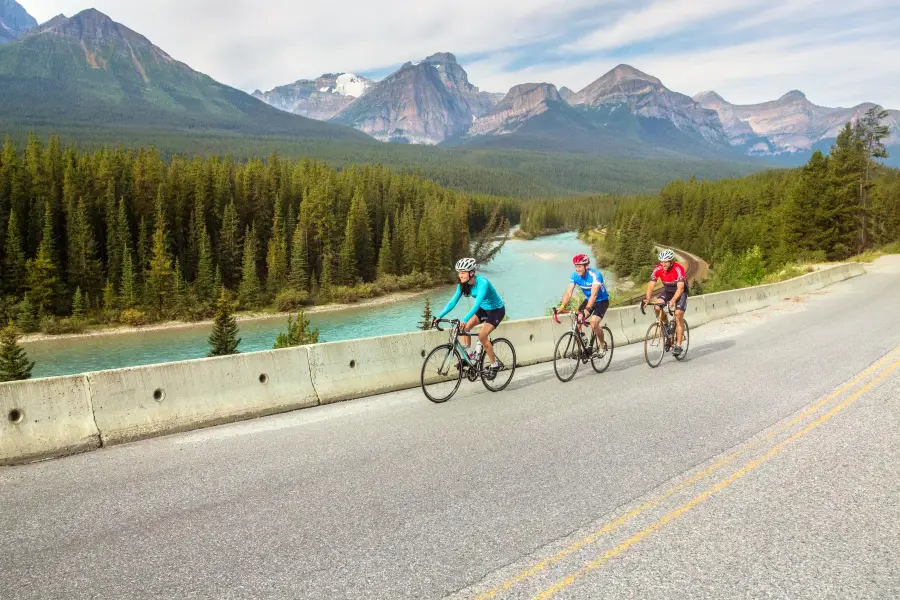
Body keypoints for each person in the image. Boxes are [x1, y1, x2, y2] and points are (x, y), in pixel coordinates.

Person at [433, 257, 506, 372]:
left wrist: (465, 318)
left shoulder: (483, 283)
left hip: (496, 310)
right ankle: (470, 357)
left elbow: (476, 305)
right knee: (464, 329)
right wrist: (439, 316)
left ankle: (494, 364)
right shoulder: (462, 285)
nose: (460, 276)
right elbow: (452, 302)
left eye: (463, 273)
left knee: (482, 336)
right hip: (483, 309)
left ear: (471, 273)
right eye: (459, 273)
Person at [557, 253, 609, 354]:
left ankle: (602, 345)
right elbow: (568, 292)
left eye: (580, 266)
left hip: (601, 301)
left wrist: (587, 309)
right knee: (577, 321)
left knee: (594, 324)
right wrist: (562, 306)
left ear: (586, 266)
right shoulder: (575, 276)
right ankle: (581, 349)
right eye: (576, 266)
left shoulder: (595, 275)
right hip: (588, 299)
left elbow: (594, 295)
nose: (577, 269)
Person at [645, 249, 687, 355]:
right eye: (662, 261)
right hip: (668, 291)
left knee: (678, 315)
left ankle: (678, 345)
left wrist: (673, 301)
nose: (663, 264)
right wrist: (648, 299)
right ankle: (667, 325)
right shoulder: (658, 268)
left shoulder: (678, 269)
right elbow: (651, 285)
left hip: (680, 292)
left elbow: (681, 288)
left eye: (666, 261)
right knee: (657, 307)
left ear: (671, 261)